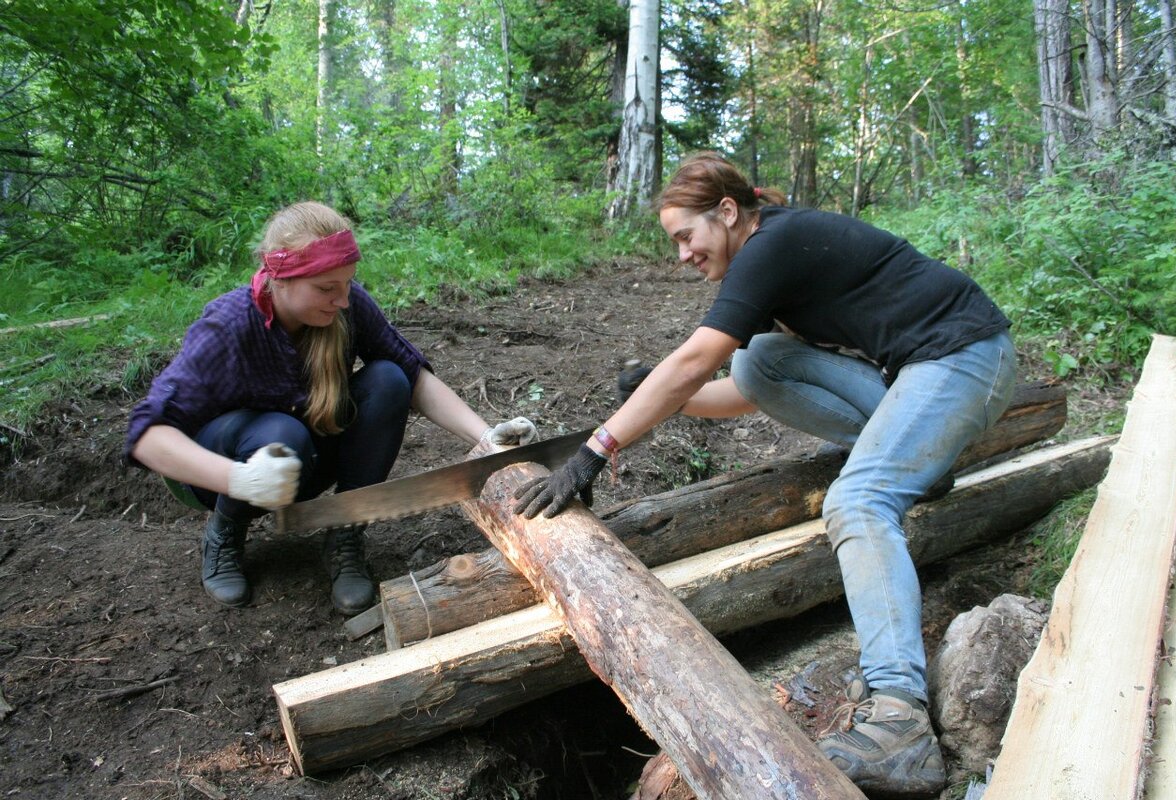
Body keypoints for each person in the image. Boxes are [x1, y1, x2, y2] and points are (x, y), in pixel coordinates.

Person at [514, 152, 1015, 797]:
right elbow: (745, 390)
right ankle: (911, 461)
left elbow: (696, 359)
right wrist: (660, 394)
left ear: (727, 214)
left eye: (685, 237)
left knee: (857, 502)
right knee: (760, 361)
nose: (682, 255)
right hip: (915, 375)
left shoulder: (773, 244)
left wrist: (595, 449)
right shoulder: (772, 248)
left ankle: (899, 721)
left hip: (963, 357)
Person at [126, 201, 535, 616]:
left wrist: (486, 438)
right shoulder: (229, 324)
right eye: (326, 288)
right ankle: (226, 533)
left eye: (347, 284)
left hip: (304, 463)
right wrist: (240, 479)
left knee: (389, 378)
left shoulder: (348, 303)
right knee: (280, 432)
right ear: (281, 279)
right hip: (227, 473)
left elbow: (412, 377)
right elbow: (146, 435)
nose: (342, 300)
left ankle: (345, 531)